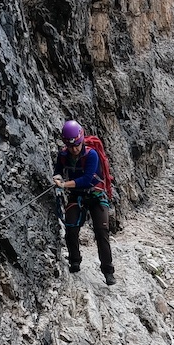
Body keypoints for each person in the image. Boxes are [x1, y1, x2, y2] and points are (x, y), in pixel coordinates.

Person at [53, 120, 116, 285]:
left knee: (102, 231)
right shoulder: (63, 155)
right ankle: (75, 260)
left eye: (77, 145)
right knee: (71, 227)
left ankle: (108, 271)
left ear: (81, 140)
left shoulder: (91, 154)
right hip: (77, 195)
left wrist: (64, 185)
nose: (74, 149)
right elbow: (58, 171)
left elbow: (87, 179)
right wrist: (57, 178)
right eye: (71, 146)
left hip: (95, 195)